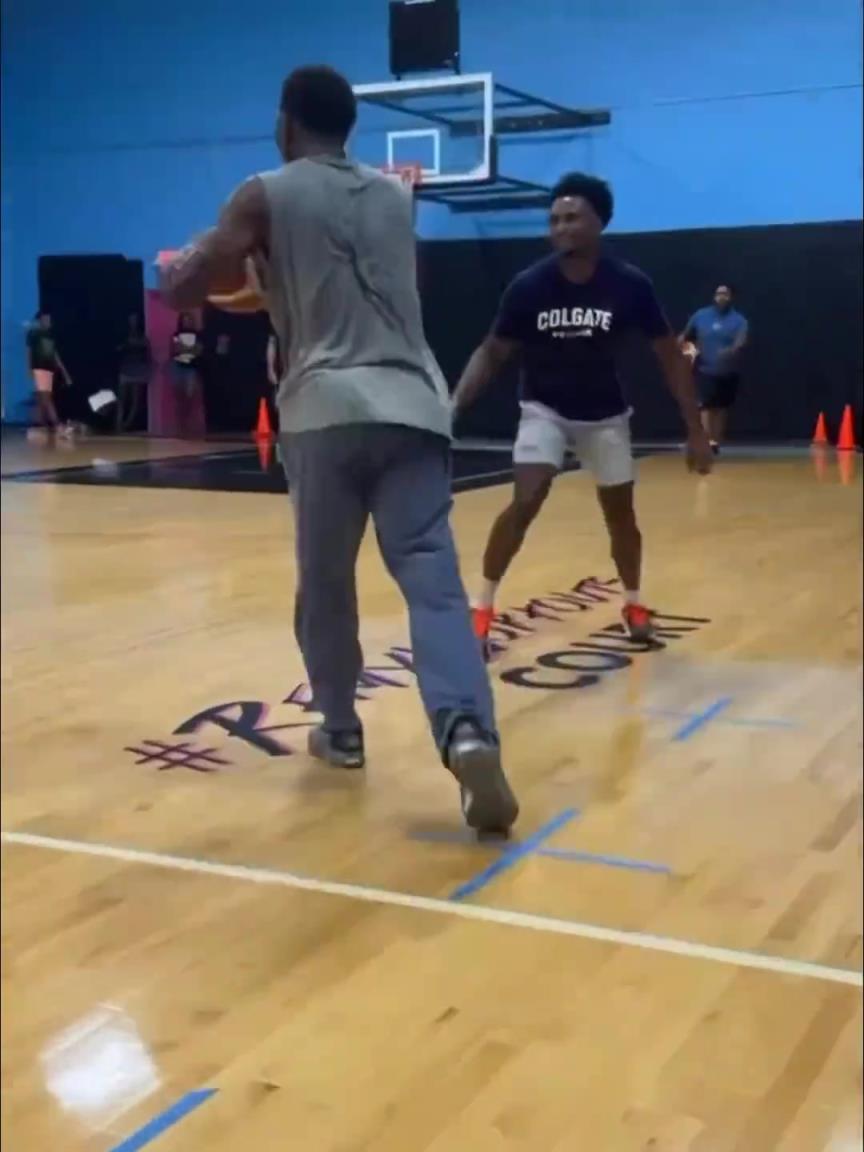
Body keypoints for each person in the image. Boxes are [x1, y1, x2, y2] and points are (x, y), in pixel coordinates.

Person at [159, 65, 517, 834]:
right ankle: (467, 732)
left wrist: (182, 265)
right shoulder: (393, 196)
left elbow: (188, 288)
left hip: (324, 409)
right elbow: (350, 285)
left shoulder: (264, 192)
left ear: (286, 123)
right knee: (433, 585)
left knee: (326, 584)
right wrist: (273, 289)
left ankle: (343, 729)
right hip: (414, 405)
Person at [453, 172, 713, 650]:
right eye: (554, 219)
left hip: (605, 414)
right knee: (527, 497)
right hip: (544, 409)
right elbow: (491, 352)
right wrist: (452, 409)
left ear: (599, 222)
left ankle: (633, 602)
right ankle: (481, 606)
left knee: (620, 514)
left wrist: (695, 429)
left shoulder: (629, 285)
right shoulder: (529, 286)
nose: (561, 227)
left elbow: (669, 355)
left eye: (572, 217)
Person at [679, 284, 748, 453]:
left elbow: (740, 342)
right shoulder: (701, 315)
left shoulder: (739, 320)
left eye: (725, 294)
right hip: (705, 369)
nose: (721, 297)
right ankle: (707, 441)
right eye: (718, 293)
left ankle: (716, 441)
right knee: (706, 406)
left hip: (728, 372)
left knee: (721, 408)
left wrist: (730, 351)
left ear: (731, 297)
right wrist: (679, 346)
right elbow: (686, 335)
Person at [26, 311, 73, 437]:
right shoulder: (34, 334)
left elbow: (55, 355)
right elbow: (29, 352)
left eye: (49, 320)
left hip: (49, 369)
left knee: (43, 398)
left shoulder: (51, 335)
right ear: (40, 320)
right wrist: (30, 368)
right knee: (46, 398)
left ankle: (40, 425)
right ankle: (57, 425)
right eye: (45, 319)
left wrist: (64, 372)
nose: (48, 322)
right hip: (39, 368)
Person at [116, 313, 152, 432]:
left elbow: (148, 353)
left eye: (135, 319)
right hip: (125, 369)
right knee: (122, 399)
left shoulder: (143, 337)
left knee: (135, 401)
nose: (133, 321)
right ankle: (118, 425)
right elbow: (118, 348)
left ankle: (125, 425)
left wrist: (147, 368)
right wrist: (125, 345)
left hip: (138, 369)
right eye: (131, 319)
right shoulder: (124, 335)